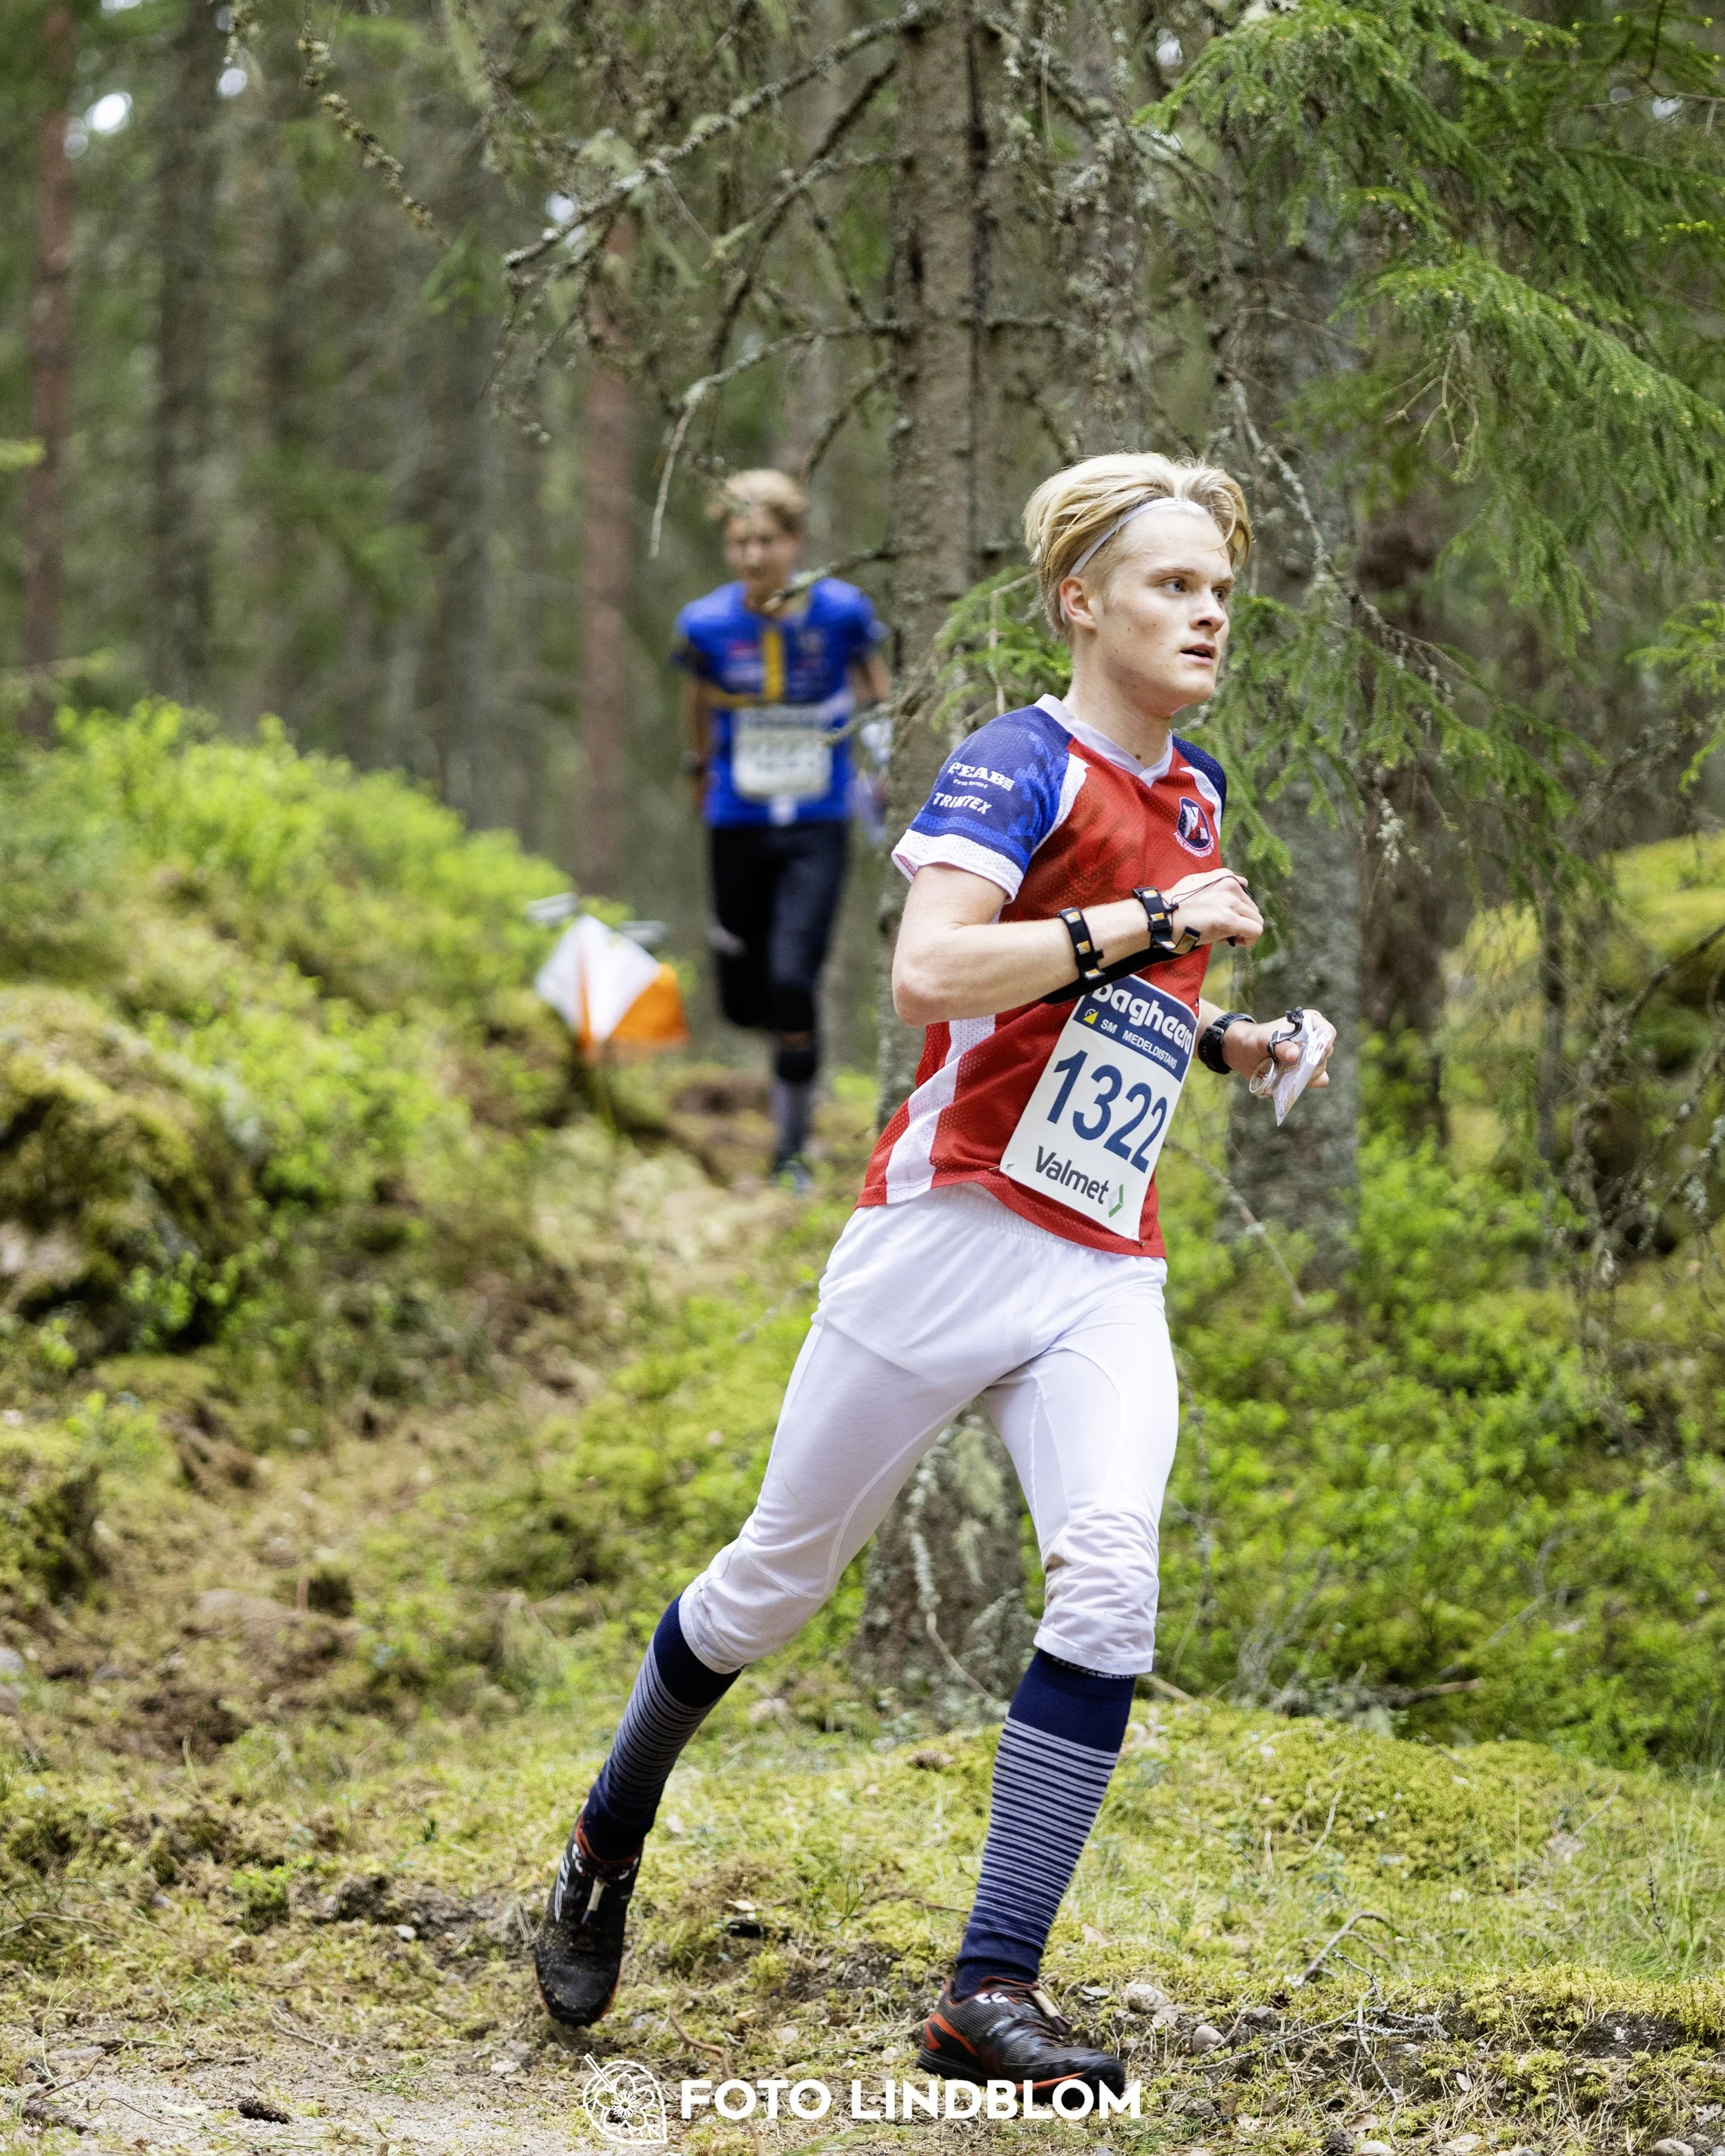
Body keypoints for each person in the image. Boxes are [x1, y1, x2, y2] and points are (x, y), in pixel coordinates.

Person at [535, 451, 1336, 2095]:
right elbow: (931, 971)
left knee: (1111, 1576)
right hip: (945, 1232)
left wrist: (1226, 1036)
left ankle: (988, 1988)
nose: (1206, 614)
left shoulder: (1196, 798)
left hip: (1102, 1259)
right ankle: (609, 1830)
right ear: (1082, 600)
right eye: (1174, 584)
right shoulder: (1015, 761)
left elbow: (1109, 1002)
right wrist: (1142, 922)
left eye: (1221, 593)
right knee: (769, 1586)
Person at [673, 470, 891, 1188]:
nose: (753, 556)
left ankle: (789, 1150)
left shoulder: (841, 613)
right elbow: (699, 700)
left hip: (819, 818)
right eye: (739, 542)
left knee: (793, 979)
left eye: (766, 540)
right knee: (744, 997)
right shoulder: (704, 624)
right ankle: (740, 969)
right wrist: (697, 764)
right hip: (736, 815)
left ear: (794, 541)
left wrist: (885, 760)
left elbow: (875, 688)